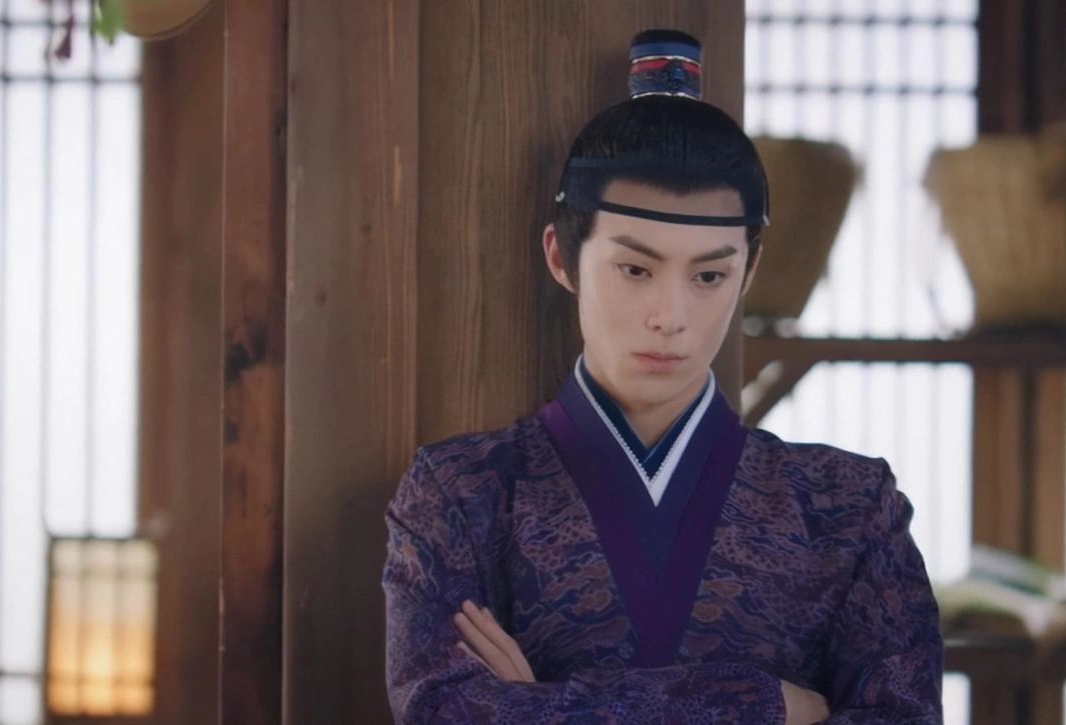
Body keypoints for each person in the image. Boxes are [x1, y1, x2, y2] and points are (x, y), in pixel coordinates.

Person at [384, 29, 943, 724]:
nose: (670, 317)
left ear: (749, 272)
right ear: (562, 257)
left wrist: (535, 707)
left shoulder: (850, 510)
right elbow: (444, 712)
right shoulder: (460, 494)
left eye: (709, 276)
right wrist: (761, 702)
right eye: (635, 269)